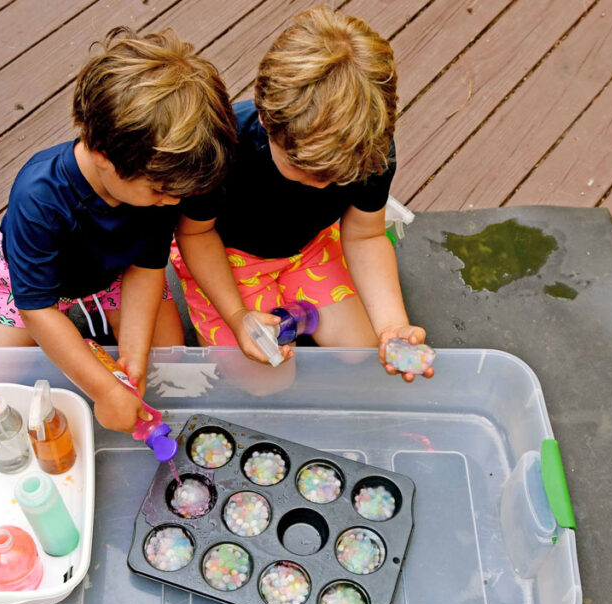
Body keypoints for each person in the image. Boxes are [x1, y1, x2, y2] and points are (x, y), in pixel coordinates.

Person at [0, 27, 236, 431]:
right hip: (46, 284)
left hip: (118, 271)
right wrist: (104, 388)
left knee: (167, 361)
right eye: (161, 192)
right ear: (102, 156)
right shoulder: (39, 195)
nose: (172, 203)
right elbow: (36, 307)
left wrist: (132, 359)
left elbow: (146, 266)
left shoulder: (163, 183)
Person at [172, 6, 432, 382]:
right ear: (265, 118)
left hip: (310, 247)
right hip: (228, 255)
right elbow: (195, 233)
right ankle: (272, 312)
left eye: (339, 175)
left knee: (362, 350)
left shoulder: (369, 149)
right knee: (264, 382)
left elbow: (365, 235)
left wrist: (392, 325)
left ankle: (296, 310)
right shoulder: (220, 147)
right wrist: (237, 315)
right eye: (302, 167)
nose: (321, 184)